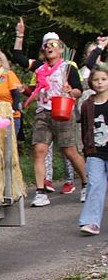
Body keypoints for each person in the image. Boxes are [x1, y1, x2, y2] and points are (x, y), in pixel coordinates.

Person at [19, 29, 87, 207]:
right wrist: (20, 36)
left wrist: (71, 91)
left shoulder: (68, 67)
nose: (49, 47)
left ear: (60, 48)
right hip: (43, 113)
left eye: (53, 44)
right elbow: (19, 58)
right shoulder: (39, 68)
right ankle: (40, 192)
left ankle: (87, 183)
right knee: (39, 150)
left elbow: (79, 90)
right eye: (46, 45)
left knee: (69, 151)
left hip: (63, 111)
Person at [78, 64, 108, 235]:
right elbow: (85, 129)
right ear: (91, 83)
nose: (100, 83)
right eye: (96, 80)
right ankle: (91, 222)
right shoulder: (87, 105)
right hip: (95, 151)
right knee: (95, 184)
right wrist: (86, 150)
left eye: (104, 79)